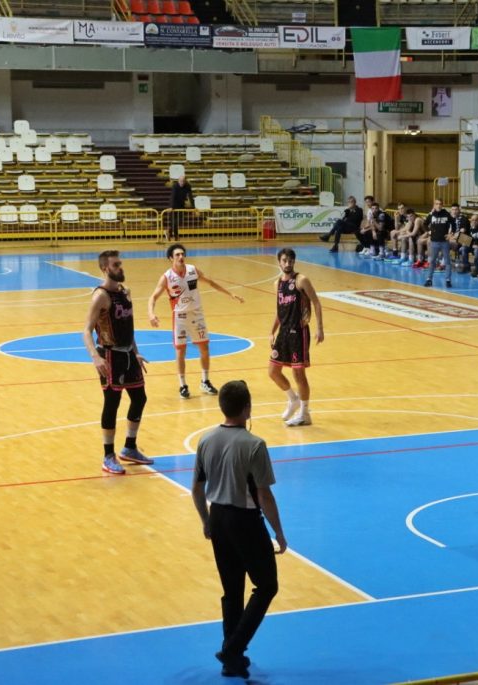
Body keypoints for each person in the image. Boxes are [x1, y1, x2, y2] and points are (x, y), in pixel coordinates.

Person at [191, 380, 286, 681]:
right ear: (248, 408)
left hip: (218, 519)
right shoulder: (254, 445)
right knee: (267, 586)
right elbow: (264, 495)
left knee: (232, 592)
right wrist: (278, 532)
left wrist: (206, 520)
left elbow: (197, 488)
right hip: (245, 522)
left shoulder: (206, 440)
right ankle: (233, 650)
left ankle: (230, 659)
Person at [81, 250, 154, 475]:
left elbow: (128, 327)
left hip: (128, 353)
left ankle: (130, 447)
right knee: (112, 403)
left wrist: (136, 352)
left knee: (140, 398)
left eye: (120, 264)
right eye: (115, 265)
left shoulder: (125, 292)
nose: (120, 268)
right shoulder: (100, 296)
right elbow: (86, 331)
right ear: (105, 269)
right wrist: (95, 357)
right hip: (110, 355)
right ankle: (108, 455)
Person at [148, 243, 245, 399]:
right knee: (181, 351)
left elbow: (211, 282)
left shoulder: (193, 270)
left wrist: (230, 294)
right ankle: (182, 385)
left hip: (196, 314)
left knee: (204, 347)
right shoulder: (166, 277)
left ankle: (205, 381)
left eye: (182, 254)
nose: (181, 257)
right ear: (171, 258)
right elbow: (153, 297)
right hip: (180, 317)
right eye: (177, 254)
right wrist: (151, 313)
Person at [269, 248, 324, 427]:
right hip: (283, 332)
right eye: (284, 260)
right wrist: (272, 331)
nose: (288, 264)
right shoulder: (277, 284)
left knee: (298, 373)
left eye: (290, 261)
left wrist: (319, 328)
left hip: (299, 332)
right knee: (273, 371)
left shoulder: (301, 280)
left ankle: (304, 414)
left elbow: (316, 303)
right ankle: (293, 399)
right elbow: (279, 310)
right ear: (279, 262)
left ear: (294, 262)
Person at [423, 198, 453, 288]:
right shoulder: (431, 214)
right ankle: (429, 279)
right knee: (432, 261)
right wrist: (428, 232)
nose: (438, 205)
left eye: (440, 204)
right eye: (437, 204)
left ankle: (448, 280)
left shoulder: (446, 214)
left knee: (447, 261)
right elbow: (425, 224)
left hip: (444, 242)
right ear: (434, 205)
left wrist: (450, 234)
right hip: (434, 241)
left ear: (442, 205)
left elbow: (454, 224)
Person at [169, 176, 195, 241]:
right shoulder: (175, 186)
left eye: (183, 181)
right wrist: (171, 207)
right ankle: (176, 236)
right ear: (178, 181)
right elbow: (172, 196)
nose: (182, 183)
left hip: (181, 205)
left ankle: (169, 232)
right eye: (181, 181)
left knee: (179, 221)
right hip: (174, 205)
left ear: (185, 181)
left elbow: (191, 196)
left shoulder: (188, 186)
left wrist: (193, 208)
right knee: (174, 222)